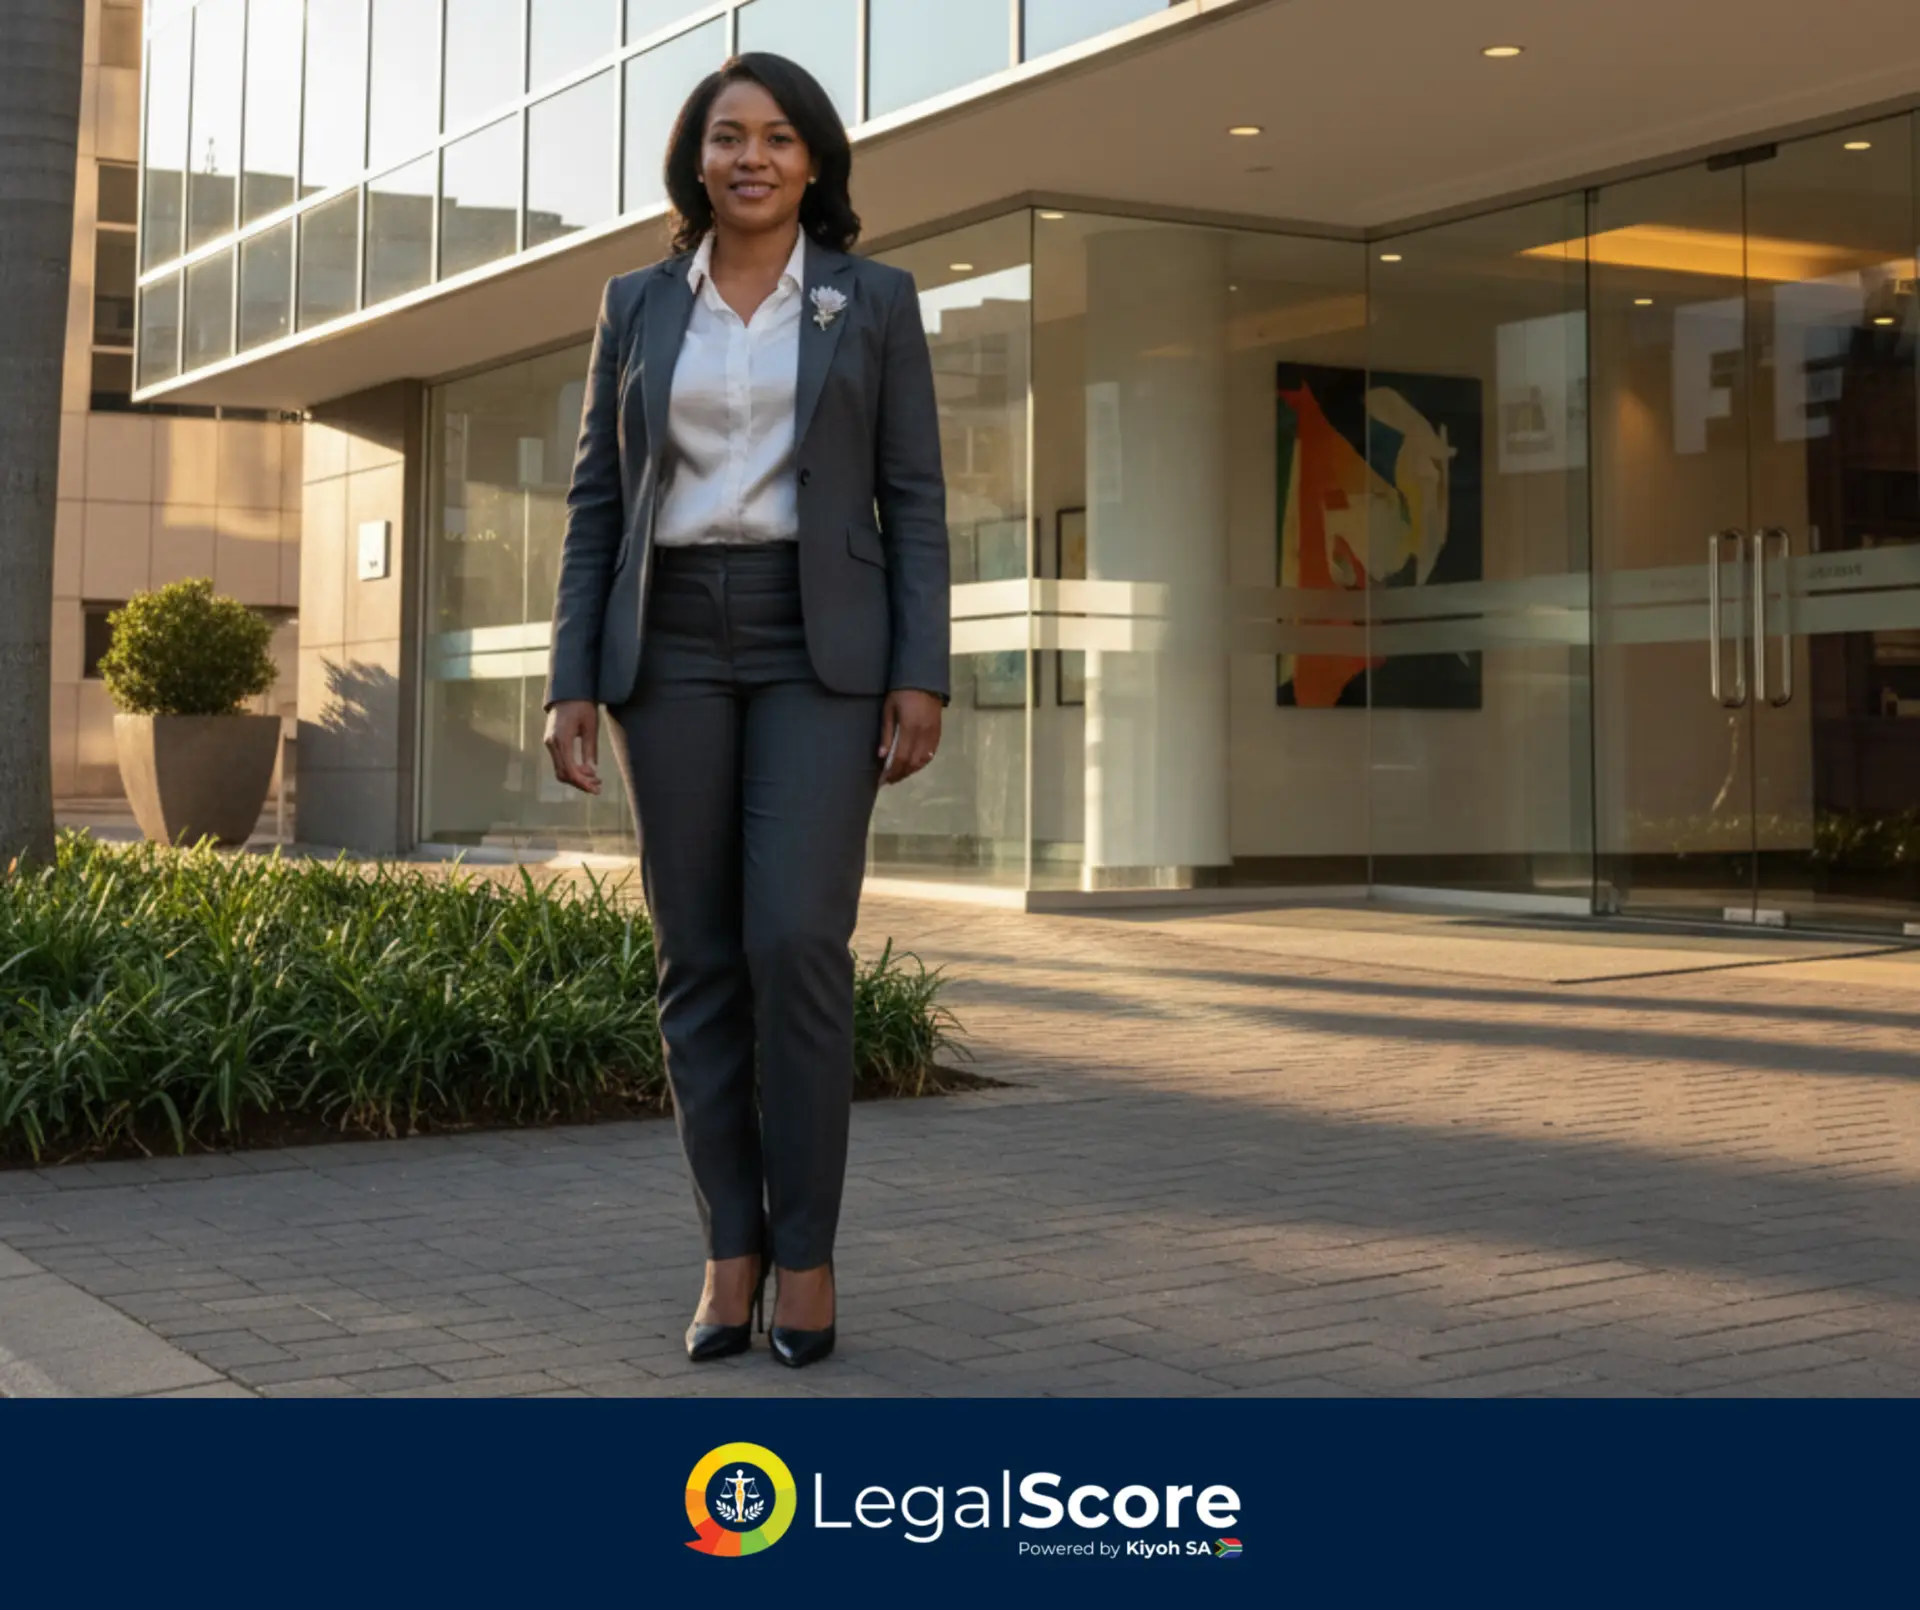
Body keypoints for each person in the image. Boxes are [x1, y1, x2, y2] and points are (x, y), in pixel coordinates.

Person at [541, 53, 949, 1370]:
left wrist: (921, 666)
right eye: (729, 137)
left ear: (816, 162)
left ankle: (810, 1249)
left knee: (793, 940)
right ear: (696, 160)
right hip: (669, 646)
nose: (753, 157)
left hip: (816, 643)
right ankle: (732, 1245)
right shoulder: (636, 303)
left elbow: (917, 502)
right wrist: (573, 677)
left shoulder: (872, 302)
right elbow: (599, 505)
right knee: (698, 955)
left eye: (779, 137)